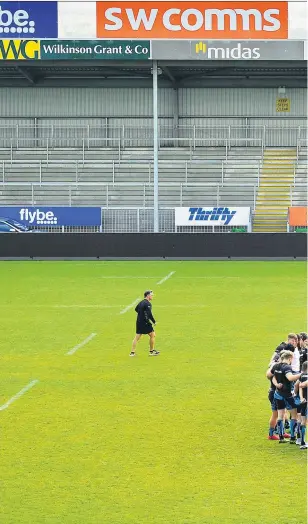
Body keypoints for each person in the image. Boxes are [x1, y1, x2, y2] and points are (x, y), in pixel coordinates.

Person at [268, 350, 302, 444]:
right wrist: (301, 374)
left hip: (278, 394)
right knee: (294, 415)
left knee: (280, 415)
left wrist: (276, 384)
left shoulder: (276, 366)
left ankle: (281, 437)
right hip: (287, 395)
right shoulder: (287, 367)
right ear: (290, 358)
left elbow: (271, 376)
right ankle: (292, 437)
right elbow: (290, 378)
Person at [129, 290, 160, 357]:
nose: (152, 296)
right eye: (151, 295)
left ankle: (132, 352)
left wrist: (141, 314)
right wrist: (154, 322)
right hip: (145, 322)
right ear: (148, 295)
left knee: (137, 337)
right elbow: (149, 314)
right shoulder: (148, 304)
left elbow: (136, 309)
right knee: (153, 335)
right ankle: (151, 351)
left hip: (139, 322)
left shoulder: (141, 302)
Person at [298, 361, 308, 449]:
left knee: (303, 421)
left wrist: (301, 398)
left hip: (304, 401)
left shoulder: (301, 376)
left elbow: (300, 387)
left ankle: (302, 442)